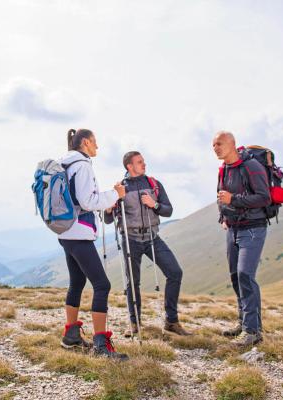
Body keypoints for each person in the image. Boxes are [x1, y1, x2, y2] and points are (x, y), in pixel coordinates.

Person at [57, 128, 128, 360]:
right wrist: (115, 194)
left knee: (77, 282)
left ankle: (71, 336)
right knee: (102, 285)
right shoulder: (83, 165)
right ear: (85, 142)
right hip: (79, 232)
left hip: (64, 231)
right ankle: (101, 346)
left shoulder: (64, 163)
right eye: (95, 142)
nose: (98, 146)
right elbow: (87, 201)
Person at [104, 151, 190, 336]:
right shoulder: (121, 188)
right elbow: (107, 219)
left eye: (143, 161)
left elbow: (168, 210)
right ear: (129, 166)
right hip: (131, 239)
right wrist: (110, 207)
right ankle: (135, 324)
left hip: (152, 237)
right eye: (140, 162)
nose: (144, 164)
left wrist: (154, 204)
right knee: (132, 283)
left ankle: (171, 322)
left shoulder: (154, 184)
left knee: (175, 272)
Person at [212, 131, 271, 347]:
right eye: (213, 145)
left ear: (232, 144)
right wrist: (223, 217)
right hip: (233, 229)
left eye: (219, 143)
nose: (216, 148)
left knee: (246, 275)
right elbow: (220, 196)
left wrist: (233, 199)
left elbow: (264, 197)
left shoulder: (251, 166)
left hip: (253, 228)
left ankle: (253, 331)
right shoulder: (223, 169)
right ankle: (244, 323)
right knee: (236, 277)